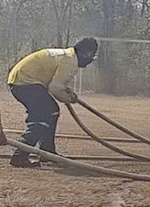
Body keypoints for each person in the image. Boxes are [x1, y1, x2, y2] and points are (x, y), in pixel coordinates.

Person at [7, 37, 98, 168]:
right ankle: (20, 155)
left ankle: (47, 152)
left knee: (52, 111)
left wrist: (67, 92)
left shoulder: (67, 55)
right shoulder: (70, 61)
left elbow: (56, 83)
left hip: (22, 80)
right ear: (86, 54)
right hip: (25, 82)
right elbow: (55, 88)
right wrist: (68, 98)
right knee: (44, 114)